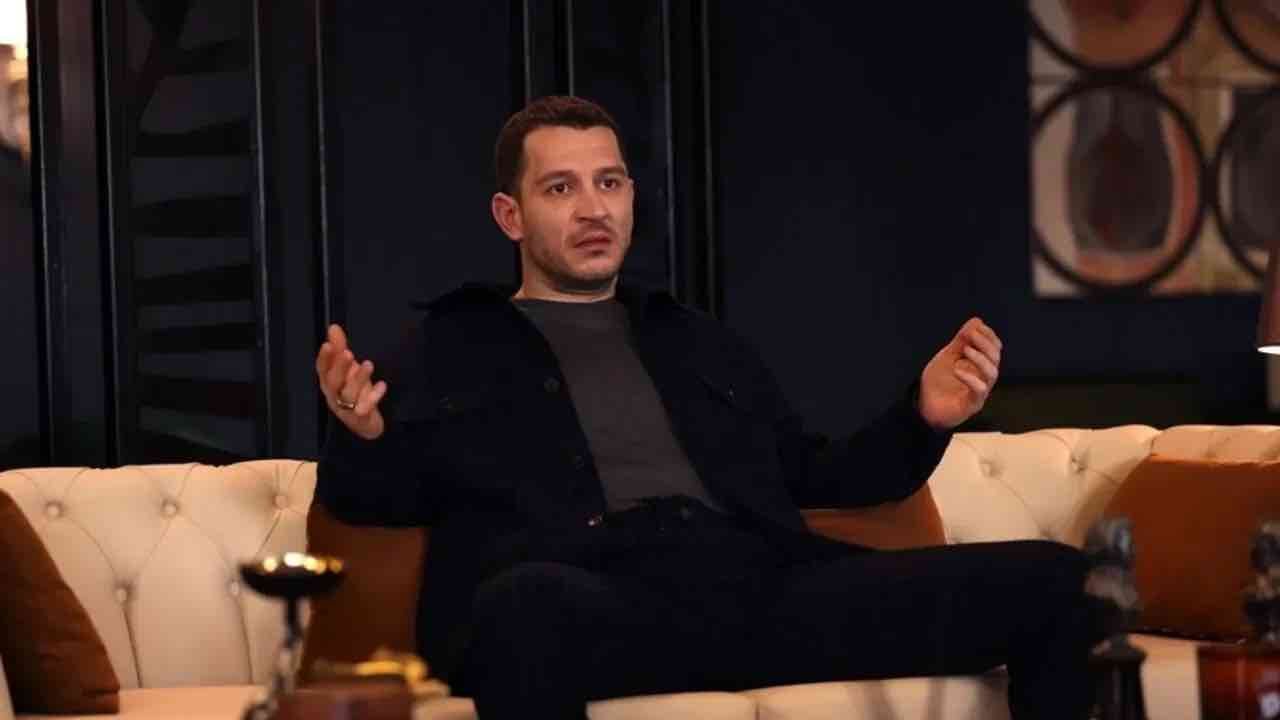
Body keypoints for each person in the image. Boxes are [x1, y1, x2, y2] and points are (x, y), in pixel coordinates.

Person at [314, 95, 1101, 720]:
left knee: (1064, 582)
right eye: (561, 188)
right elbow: (383, 498)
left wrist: (924, 415)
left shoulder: (695, 340)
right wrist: (360, 433)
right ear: (509, 216)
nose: (594, 209)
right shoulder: (452, 344)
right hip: (600, 599)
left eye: (610, 183)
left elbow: (821, 475)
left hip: (762, 588)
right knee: (519, 609)